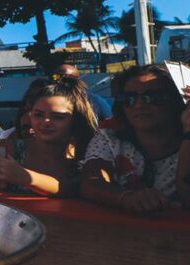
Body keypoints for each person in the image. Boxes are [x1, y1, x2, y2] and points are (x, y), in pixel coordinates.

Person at [0, 77, 98, 196]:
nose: (45, 122)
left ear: (75, 120)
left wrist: (23, 176)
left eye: (58, 117)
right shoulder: (8, 148)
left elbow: (74, 188)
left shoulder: (89, 154)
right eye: (38, 115)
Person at [79, 65, 190, 213]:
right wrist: (126, 198)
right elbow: (90, 182)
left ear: (177, 101)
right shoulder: (110, 138)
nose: (139, 105)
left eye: (153, 97)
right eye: (128, 98)